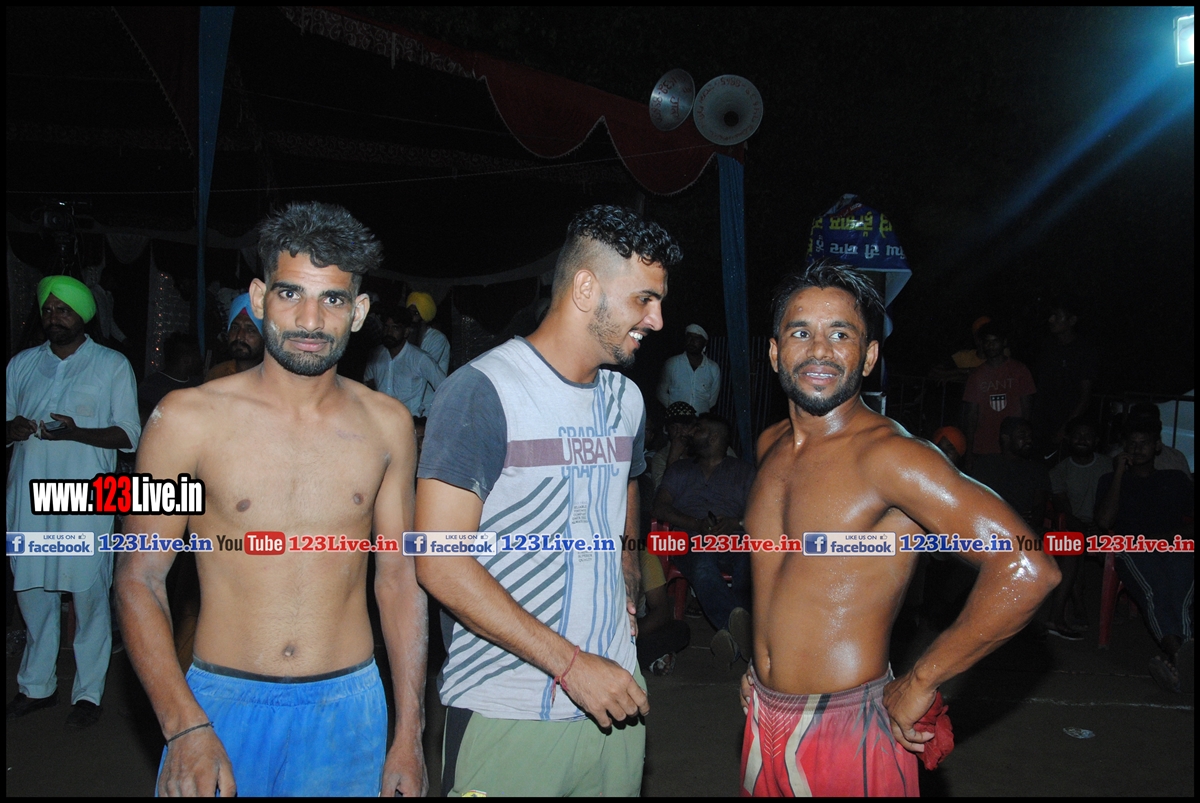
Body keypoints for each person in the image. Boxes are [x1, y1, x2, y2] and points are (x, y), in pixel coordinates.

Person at [115, 202, 427, 797]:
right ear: (259, 298)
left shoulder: (389, 426)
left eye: (332, 299)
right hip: (221, 705)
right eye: (290, 294)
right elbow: (139, 576)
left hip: (349, 711)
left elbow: (399, 577)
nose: (310, 319)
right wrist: (184, 726)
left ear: (359, 311)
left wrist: (409, 733)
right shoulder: (184, 420)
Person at [741, 260, 1059, 797]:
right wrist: (760, 665)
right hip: (762, 715)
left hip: (847, 728)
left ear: (868, 357)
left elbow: (1026, 565)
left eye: (840, 334)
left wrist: (923, 678)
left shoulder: (893, 457)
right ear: (775, 352)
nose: (819, 350)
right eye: (800, 332)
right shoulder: (769, 444)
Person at [415, 204, 681, 797]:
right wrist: (571, 665)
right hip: (508, 707)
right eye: (644, 299)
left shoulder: (627, 400)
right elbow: (438, 562)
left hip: (615, 700)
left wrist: (627, 565)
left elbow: (628, 480)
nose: (658, 320)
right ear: (586, 288)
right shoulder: (482, 392)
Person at [6, 275, 141, 728]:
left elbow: (129, 435)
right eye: (48, 309)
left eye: (63, 310)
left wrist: (77, 432)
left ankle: (88, 693)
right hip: (27, 500)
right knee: (32, 593)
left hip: (86, 501)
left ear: (83, 315)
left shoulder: (111, 365)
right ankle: (36, 686)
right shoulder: (22, 364)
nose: (54, 317)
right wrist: (13, 428)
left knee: (88, 596)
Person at [1095, 415, 1194, 693]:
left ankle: (1180, 665)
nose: (1137, 449)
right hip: (1133, 548)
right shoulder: (1110, 480)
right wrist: (1118, 474)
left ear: (1157, 447)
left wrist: (1171, 537)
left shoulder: (1174, 479)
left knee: (1180, 592)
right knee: (1156, 590)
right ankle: (1182, 658)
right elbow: (1104, 521)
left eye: (1144, 443)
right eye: (1132, 444)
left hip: (1173, 546)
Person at [652, 413, 756, 667]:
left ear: (714, 437)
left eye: (698, 429)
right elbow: (659, 507)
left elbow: (763, 512)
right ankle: (744, 634)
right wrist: (696, 524)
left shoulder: (744, 472)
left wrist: (735, 523)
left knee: (748, 563)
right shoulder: (680, 470)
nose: (691, 432)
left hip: (734, 540)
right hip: (690, 540)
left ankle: (733, 640)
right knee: (702, 563)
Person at [1032, 295, 1099, 458]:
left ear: (1072, 320)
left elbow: (1085, 396)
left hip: (1069, 425)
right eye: (1051, 315)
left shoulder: (1084, 351)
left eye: (1057, 316)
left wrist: (1066, 428)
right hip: (1043, 423)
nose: (1051, 320)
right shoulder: (1047, 346)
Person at [963, 321, 1036, 460]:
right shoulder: (976, 376)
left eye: (995, 341)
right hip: (983, 446)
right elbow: (971, 417)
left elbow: (1027, 412)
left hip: (1013, 447)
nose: (990, 346)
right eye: (987, 342)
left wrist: (1024, 442)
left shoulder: (1020, 370)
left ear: (1004, 342)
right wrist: (969, 453)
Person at [363, 301, 446, 419]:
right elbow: (367, 385)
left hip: (410, 422)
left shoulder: (420, 358)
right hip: (380, 420)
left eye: (395, 328)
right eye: (386, 327)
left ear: (406, 331)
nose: (389, 332)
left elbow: (445, 388)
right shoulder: (376, 355)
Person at [969, 417, 1051, 533]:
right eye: (1022, 436)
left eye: (1030, 436)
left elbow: (1039, 507)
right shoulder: (986, 464)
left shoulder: (1037, 469)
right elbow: (976, 501)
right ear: (1006, 438)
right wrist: (1008, 520)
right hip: (991, 527)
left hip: (1025, 531)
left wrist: (1026, 525)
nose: (1028, 440)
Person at [635, 547, 691, 676]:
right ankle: (645, 659)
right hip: (601, 631)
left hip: (633, 629)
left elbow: (661, 611)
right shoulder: (594, 555)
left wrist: (632, 632)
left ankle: (633, 658)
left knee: (680, 630)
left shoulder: (643, 555)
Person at [657, 323, 721, 414]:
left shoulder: (713, 368)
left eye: (697, 338)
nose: (691, 341)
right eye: (689, 337)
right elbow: (661, 392)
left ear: (705, 342)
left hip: (700, 420)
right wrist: (676, 410)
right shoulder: (672, 363)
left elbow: (712, 400)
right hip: (676, 419)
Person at [204, 292, 264, 381]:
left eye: (250, 330)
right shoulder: (217, 375)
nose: (239, 336)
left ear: (265, 337)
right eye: (235, 328)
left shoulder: (278, 381)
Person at [407, 291, 450, 413]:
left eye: (416, 313)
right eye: (409, 313)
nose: (412, 318)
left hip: (428, 406)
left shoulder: (437, 339)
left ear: (424, 317)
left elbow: (419, 369)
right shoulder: (406, 337)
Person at [648, 400, 698, 491]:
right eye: (674, 427)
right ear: (667, 430)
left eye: (685, 426)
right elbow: (660, 491)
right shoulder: (661, 458)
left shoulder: (705, 451)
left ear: (694, 428)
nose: (679, 432)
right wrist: (673, 457)